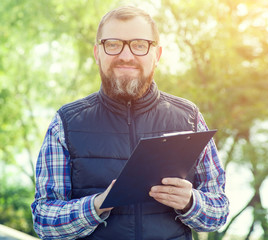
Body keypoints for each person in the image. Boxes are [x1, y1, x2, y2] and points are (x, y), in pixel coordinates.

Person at [31, 5, 229, 240]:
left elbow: (219, 213)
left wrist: (190, 202)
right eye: (113, 44)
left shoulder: (189, 117)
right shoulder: (65, 123)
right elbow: (44, 221)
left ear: (156, 55)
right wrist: (96, 206)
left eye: (139, 45)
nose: (126, 55)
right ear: (97, 53)